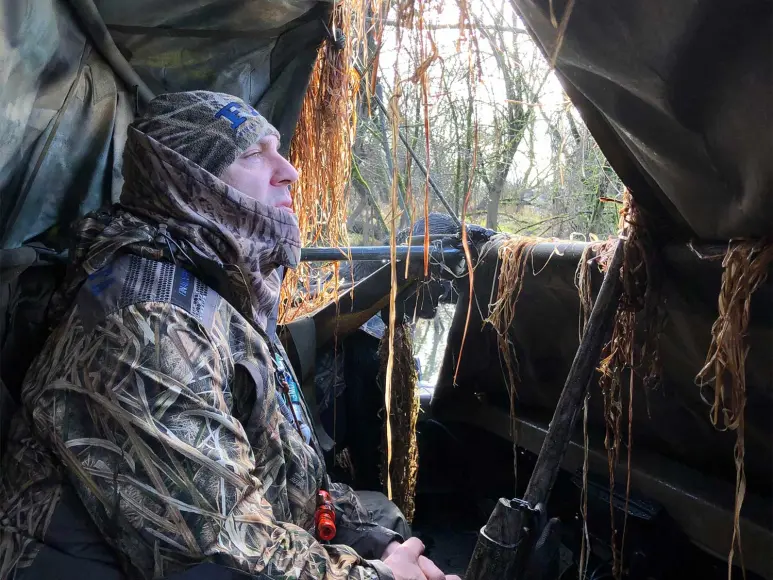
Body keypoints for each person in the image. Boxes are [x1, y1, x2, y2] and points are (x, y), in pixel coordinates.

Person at [0, 91, 460, 580]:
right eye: (252, 155)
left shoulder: (217, 292)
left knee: (386, 521)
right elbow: (222, 550)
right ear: (188, 180)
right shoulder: (149, 322)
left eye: (277, 148)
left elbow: (284, 477)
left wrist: (378, 545)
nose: (290, 171)